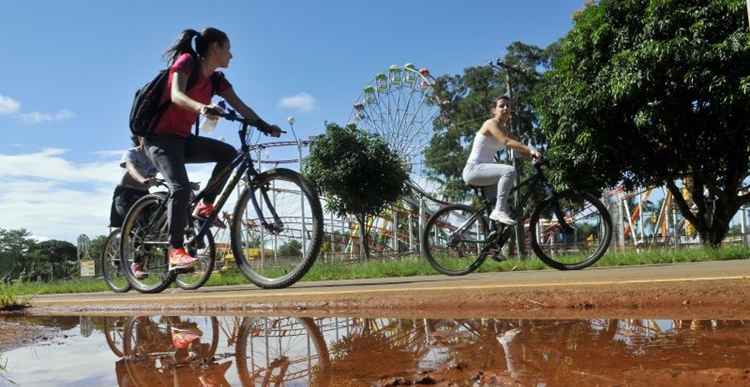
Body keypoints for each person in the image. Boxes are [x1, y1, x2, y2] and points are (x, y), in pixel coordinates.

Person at [145, 27, 281, 271]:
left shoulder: (216, 79)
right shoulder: (187, 62)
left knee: (229, 154)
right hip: (160, 140)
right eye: (228, 49)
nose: (232, 55)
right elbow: (176, 95)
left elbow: (240, 106)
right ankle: (175, 250)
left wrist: (264, 125)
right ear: (215, 47)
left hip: (183, 140)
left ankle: (205, 204)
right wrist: (201, 107)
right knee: (181, 187)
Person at [462, 96, 540, 225]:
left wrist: (535, 156)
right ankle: (498, 211)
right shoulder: (490, 124)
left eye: (508, 106)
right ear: (493, 110)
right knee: (509, 171)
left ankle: (494, 236)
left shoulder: (504, 130)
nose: (506, 108)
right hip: (473, 169)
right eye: (502, 105)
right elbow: (506, 141)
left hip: (485, 172)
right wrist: (530, 150)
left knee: (504, 211)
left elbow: (519, 148)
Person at [109, 135, 158, 279]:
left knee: (152, 230)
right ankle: (135, 264)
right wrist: (142, 179)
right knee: (138, 229)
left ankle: (141, 262)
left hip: (144, 194)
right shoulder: (132, 152)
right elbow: (131, 168)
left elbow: (169, 171)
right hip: (126, 195)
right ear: (140, 138)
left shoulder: (156, 156)